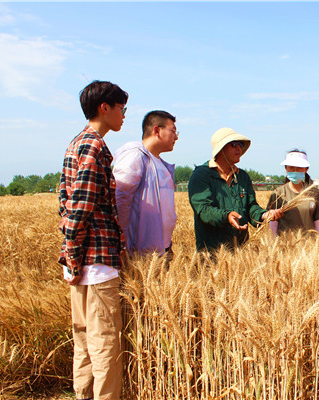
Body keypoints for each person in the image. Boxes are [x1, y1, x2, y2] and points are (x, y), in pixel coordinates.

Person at [58, 80, 128, 400]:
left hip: (79, 260)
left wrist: (71, 256)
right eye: (121, 108)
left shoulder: (75, 143)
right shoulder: (95, 146)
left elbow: (65, 203)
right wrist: (74, 255)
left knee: (84, 339)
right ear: (105, 108)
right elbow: (80, 207)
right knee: (105, 343)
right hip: (95, 261)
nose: (123, 115)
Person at [188, 127, 283, 251]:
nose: (239, 148)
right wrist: (226, 217)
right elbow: (204, 210)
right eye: (234, 144)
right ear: (221, 149)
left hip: (240, 253)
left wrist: (264, 215)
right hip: (211, 252)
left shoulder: (242, 177)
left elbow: (251, 207)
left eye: (241, 145)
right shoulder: (201, 175)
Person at [113, 110, 178, 257]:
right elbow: (120, 199)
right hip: (140, 252)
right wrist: (120, 242)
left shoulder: (161, 164)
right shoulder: (135, 156)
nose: (176, 137)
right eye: (173, 131)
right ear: (156, 130)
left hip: (160, 250)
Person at [266, 150, 319, 237]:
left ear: (306, 169)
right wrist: (272, 245)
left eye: (299, 168)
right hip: (284, 246)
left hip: (310, 246)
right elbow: (273, 223)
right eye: (291, 168)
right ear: (286, 168)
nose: (295, 171)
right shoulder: (278, 193)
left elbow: (318, 222)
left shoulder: (314, 194)